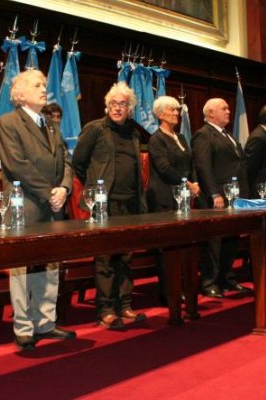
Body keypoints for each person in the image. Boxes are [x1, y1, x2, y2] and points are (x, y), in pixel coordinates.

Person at [0, 69, 76, 349]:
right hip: (25, 204)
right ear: (19, 94)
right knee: (22, 267)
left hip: (54, 203)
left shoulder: (51, 124)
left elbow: (67, 160)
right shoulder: (8, 123)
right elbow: (17, 165)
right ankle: (24, 328)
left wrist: (64, 189)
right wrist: (48, 193)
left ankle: (45, 322)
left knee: (50, 264)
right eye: (37, 85)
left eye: (44, 84)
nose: (44, 89)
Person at [72, 81, 148, 330]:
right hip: (104, 205)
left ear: (130, 108)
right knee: (105, 258)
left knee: (125, 257)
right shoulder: (95, 129)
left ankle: (124, 305)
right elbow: (78, 163)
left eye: (123, 104)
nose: (118, 108)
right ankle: (105, 310)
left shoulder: (134, 133)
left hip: (130, 203)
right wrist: (94, 190)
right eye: (113, 104)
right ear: (107, 106)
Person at [192, 98, 249, 298]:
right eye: (223, 108)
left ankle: (227, 279)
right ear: (210, 113)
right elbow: (203, 166)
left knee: (231, 240)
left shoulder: (228, 135)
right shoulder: (203, 135)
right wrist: (215, 193)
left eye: (228, 107)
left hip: (234, 196)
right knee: (214, 242)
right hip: (217, 197)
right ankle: (210, 283)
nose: (228, 111)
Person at [147, 95, 200, 303]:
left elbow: (190, 164)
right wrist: (188, 184)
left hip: (183, 198)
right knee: (167, 249)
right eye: (172, 110)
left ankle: (184, 287)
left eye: (177, 110)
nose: (177, 113)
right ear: (160, 114)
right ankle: (169, 293)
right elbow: (164, 169)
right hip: (163, 198)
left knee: (183, 245)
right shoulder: (156, 139)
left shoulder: (182, 137)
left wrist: (195, 184)